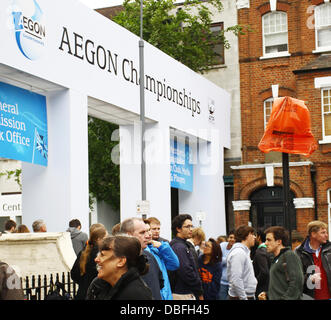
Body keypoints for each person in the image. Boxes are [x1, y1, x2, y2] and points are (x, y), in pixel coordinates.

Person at [86, 235, 153, 300]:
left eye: (102, 255)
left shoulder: (136, 295)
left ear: (121, 261)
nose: (96, 259)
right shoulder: (99, 286)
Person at [120, 217, 163, 300]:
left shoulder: (150, 256)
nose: (148, 235)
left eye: (148, 231)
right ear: (128, 235)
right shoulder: (119, 261)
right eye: (142, 232)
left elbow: (160, 283)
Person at [258, 226, 304, 300]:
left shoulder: (289, 255)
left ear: (279, 241)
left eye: (269, 240)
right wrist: (267, 294)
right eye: (265, 240)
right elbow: (280, 286)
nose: (266, 243)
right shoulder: (275, 259)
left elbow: (297, 283)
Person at [169, 214, 203, 300]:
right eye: (187, 227)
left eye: (192, 226)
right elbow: (186, 271)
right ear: (178, 229)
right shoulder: (178, 247)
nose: (191, 229)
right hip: (182, 294)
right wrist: (199, 290)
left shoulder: (183, 244)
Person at [295, 220, 331, 300]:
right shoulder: (299, 252)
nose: (326, 235)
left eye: (326, 232)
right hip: (309, 297)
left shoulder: (329, 249)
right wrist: (309, 279)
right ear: (313, 234)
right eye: (323, 233)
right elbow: (294, 276)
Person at [144, 220, 179, 300]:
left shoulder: (158, 247)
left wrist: (162, 247)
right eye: (154, 229)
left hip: (166, 295)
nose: (149, 233)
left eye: (149, 230)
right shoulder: (140, 252)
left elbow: (174, 265)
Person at [71, 225, 108, 300]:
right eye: (106, 238)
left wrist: (83, 283)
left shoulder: (83, 252)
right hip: (95, 294)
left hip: (82, 293)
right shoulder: (101, 255)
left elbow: (74, 274)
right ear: (99, 239)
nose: (107, 241)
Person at [227, 225, 257, 300]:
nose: (255, 237)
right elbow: (236, 279)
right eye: (252, 234)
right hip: (241, 297)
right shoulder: (239, 253)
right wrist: (244, 298)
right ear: (246, 236)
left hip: (246, 295)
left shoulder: (243, 252)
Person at [253, 228, 272, 299]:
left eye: (255, 235)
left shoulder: (260, 252)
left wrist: (255, 282)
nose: (254, 238)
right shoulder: (268, 250)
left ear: (259, 237)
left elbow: (264, 272)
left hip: (262, 289)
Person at [217, 230, 235, 300]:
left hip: (233, 283)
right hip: (222, 282)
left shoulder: (237, 248)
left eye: (234, 238)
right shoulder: (222, 245)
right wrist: (229, 259)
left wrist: (224, 259)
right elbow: (218, 260)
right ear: (228, 238)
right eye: (231, 237)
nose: (232, 239)